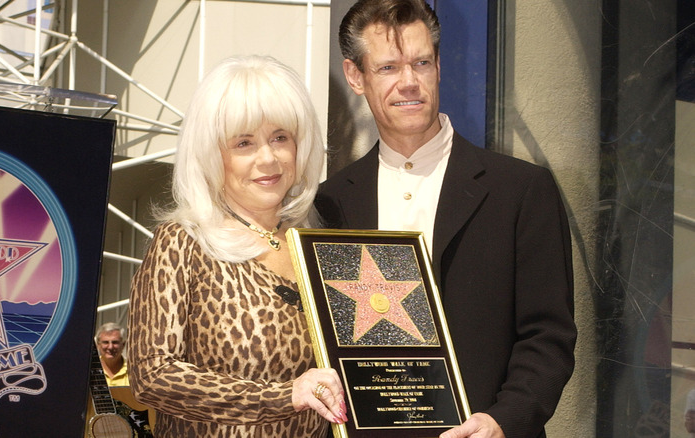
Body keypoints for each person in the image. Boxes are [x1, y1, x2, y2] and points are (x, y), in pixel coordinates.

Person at [315, 1, 577, 437]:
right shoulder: (331, 203)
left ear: (438, 64)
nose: (409, 83)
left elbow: (549, 337)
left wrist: (502, 421)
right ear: (355, 77)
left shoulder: (522, 190)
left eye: (421, 63)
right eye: (388, 68)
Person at [127, 54, 347, 438]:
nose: (268, 158)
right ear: (214, 155)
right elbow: (152, 374)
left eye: (280, 137)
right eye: (244, 143)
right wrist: (281, 397)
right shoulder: (182, 241)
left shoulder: (319, 245)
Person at [94, 322, 130, 387]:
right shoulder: (90, 370)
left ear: (123, 345)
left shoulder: (133, 371)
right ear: (98, 345)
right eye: (105, 342)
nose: (110, 347)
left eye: (115, 342)